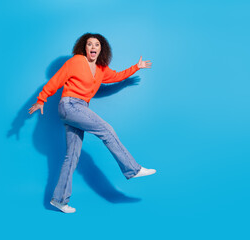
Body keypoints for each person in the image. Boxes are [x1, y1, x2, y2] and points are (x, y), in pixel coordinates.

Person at [28, 33, 156, 213]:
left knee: (72, 156)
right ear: (84, 48)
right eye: (89, 44)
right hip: (70, 105)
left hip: (78, 109)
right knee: (107, 130)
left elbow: (117, 76)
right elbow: (56, 80)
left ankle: (59, 200)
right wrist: (41, 99)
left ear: (101, 49)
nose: (93, 47)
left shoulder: (102, 69)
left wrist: (137, 67)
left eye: (97, 44)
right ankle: (132, 169)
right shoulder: (76, 61)